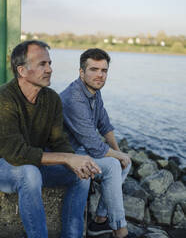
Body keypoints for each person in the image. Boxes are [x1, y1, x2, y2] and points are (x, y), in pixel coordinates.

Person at [0, 40, 101, 238]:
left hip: (34, 164)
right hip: (5, 165)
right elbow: (16, 153)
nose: (49, 69)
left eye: (50, 63)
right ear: (22, 70)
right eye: (42, 64)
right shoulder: (4, 98)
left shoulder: (51, 98)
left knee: (81, 174)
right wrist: (65, 158)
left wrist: (75, 161)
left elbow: (59, 141)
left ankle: (71, 235)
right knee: (30, 173)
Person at [60, 48, 136, 238]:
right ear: (81, 72)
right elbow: (95, 146)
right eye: (94, 69)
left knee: (121, 163)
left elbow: (105, 125)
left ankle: (99, 221)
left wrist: (119, 153)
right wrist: (117, 156)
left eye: (104, 70)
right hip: (65, 155)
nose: (100, 75)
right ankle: (121, 231)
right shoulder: (74, 98)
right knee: (112, 164)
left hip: (81, 149)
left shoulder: (94, 91)